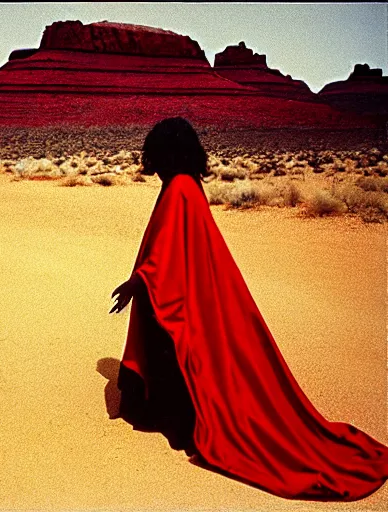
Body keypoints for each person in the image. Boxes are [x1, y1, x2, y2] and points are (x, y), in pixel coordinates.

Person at [110, 117, 388, 501]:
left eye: (156, 155)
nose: (153, 164)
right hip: (184, 298)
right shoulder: (187, 186)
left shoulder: (179, 190)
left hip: (177, 302)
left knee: (182, 360)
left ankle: (183, 421)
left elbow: (166, 255)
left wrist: (136, 283)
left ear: (166, 154)